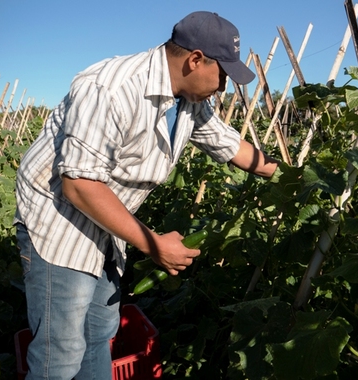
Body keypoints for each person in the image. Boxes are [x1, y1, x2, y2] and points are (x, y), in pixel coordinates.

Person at [14, 10, 279, 380]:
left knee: (98, 333)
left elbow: (229, 144)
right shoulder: (110, 87)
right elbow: (79, 184)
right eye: (223, 74)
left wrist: (290, 176)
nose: (224, 87)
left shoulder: (189, 101)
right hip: (59, 217)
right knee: (60, 355)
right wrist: (154, 244)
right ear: (195, 59)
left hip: (107, 218)